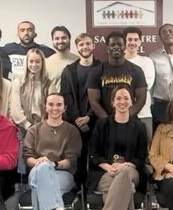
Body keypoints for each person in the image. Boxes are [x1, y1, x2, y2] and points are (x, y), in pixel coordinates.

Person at [88, 86, 148, 210]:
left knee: (124, 176)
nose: (122, 101)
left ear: (132, 102)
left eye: (126, 98)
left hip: (131, 170)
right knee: (124, 190)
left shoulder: (139, 126)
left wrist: (126, 165)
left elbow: (142, 156)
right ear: (112, 102)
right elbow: (93, 153)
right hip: (105, 173)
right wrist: (108, 166)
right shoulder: (102, 124)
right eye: (118, 98)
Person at [23, 93, 82, 210]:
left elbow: (71, 160)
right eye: (51, 104)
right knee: (41, 173)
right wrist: (40, 163)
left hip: (62, 174)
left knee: (38, 188)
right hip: (37, 170)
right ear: (45, 106)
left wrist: (52, 164)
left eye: (58, 105)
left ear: (64, 108)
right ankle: (59, 209)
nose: (54, 108)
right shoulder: (34, 130)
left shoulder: (71, 131)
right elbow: (28, 158)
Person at [60, 33, 100, 184]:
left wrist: (89, 117)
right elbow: (66, 96)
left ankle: (93, 191)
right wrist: (78, 119)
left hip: (95, 121)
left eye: (88, 44)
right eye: (81, 44)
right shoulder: (69, 70)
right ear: (77, 48)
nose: (85, 47)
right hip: (74, 123)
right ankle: (78, 191)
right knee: (77, 158)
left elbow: (101, 96)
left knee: (96, 157)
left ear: (93, 46)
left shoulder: (101, 68)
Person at [86, 31, 148, 119]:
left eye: (119, 44)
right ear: (107, 48)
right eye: (113, 45)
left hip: (129, 120)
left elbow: (141, 99)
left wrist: (125, 117)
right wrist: (109, 120)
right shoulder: (96, 71)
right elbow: (94, 101)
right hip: (105, 122)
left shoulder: (136, 70)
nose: (116, 47)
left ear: (124, 47)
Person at [150, 23, 173, 128]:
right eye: (164, 32)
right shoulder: (153, 57)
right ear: (160, 37)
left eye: (171, 31)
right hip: (161, 105)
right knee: (162, 138)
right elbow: (151, 84)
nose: (168, 34)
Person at [124, 27, 156, 138]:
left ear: (140, 42)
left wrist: (124, 89)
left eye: (135, 40)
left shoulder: (147, 62)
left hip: (144, 114)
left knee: (145, 150)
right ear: (124, 41)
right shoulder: (117, 62)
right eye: (129, 39)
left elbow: (146, 85)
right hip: (121, 114)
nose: (132, 42)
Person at [10, 48, 52, 129]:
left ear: (42, 63)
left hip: (44, 127)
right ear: (26, 63)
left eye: (37, 62)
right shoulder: (18, 83)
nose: (34, 64)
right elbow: (15, 110)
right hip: (23, 128)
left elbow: (52, 108)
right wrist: (27, 125)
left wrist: (44, 125)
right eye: (31, 61)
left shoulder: (49, 84)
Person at [45, 26, 80, 91]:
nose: (60, 41)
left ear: (69, 39)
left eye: (64, 38)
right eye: (57, 38)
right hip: (54, 100)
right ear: (52, 40)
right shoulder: (46, 63)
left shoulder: (79, 61)